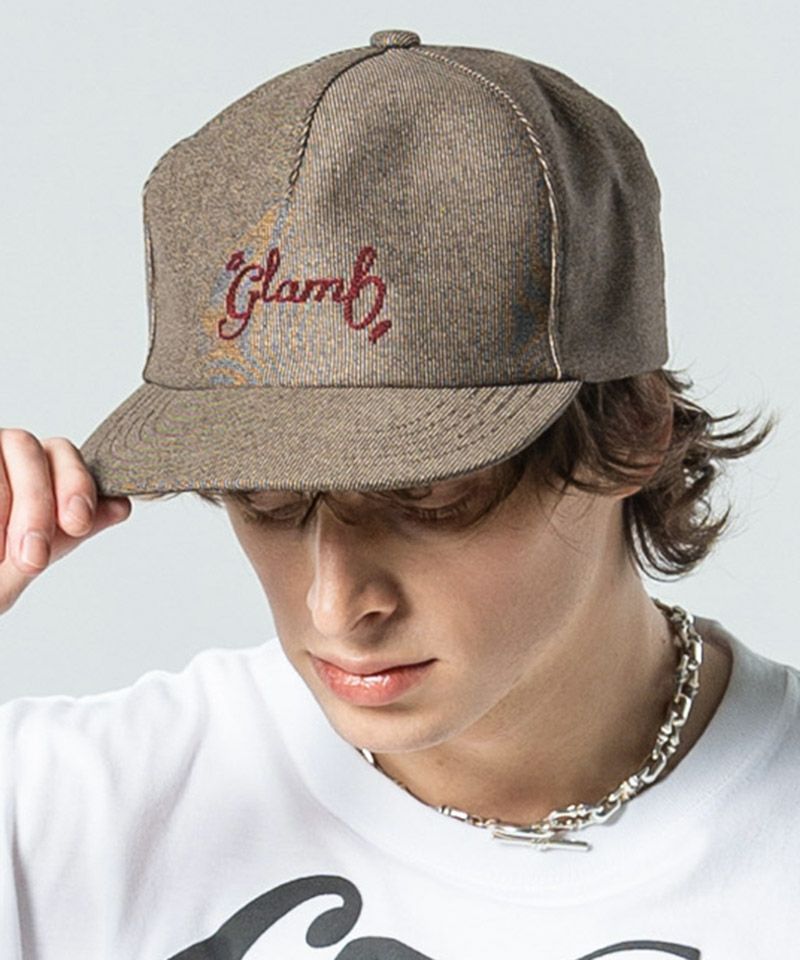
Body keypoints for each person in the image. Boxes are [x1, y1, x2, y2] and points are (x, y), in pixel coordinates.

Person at [0, 27, 796, 960]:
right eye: (266, 499)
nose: (334, 605)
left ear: (633, 433)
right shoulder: (62, 812)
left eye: (430, 498)